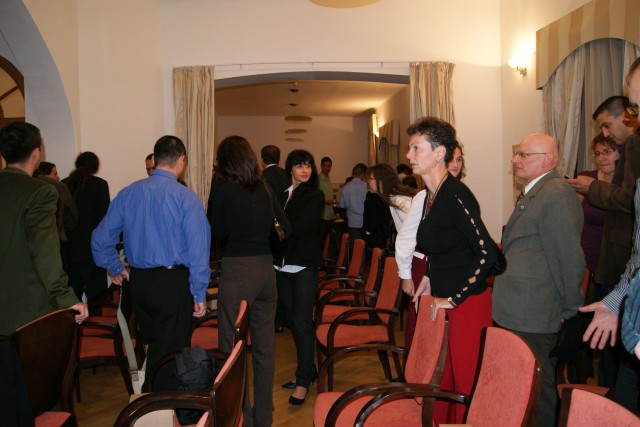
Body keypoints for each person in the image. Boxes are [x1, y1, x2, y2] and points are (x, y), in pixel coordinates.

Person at [91, 135, 210, 391]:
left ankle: (157, 399)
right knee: (170, 353)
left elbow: (100, 238)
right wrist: (199, 292)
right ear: (181, 161)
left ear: (154, 160)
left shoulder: (129, 193)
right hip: (172, 283)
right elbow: (198, 251)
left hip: (140, 283)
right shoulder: (186, 198)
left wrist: (114, 267)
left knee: (156, 345)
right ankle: (157, 402)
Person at [407, 117, 497, 424]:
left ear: (439, 153)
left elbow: (487, 253)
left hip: (468, 304)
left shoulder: (456, 194)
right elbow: (445, 245)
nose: (409, 155)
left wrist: (455, 298)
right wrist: (429, 277)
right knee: (445, 377)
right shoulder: (432, 195)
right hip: (446, 300)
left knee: (466, 382)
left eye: (416, 148)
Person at [493, 133, 585, 427]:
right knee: (522, 386)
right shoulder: (539, 191)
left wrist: (570, 309)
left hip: (534, 310)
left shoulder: (556, 194)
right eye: (517, 153)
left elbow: (568, 258)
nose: (514, 160)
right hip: (519, 308)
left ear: (547, 160)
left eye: (523, 155)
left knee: (539, 391)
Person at [0, 121, 88, 424]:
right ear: (37, 153)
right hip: (25, 318)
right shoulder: (40, 192)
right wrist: (67, 299)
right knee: (28, 401)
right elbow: (45, 253)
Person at [208, 135, 290, 427]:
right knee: (265, 350)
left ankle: (240, 415)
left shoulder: (222, 189)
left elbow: (216, 231)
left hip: (237, 271)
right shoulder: (264, 187)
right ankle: (264, 417)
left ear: (224, 162)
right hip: (266, 271)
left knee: (232, 349)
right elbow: (285, 228)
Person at [275, 149, 324, 406]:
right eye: (299, 165)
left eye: (308, 165)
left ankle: (303, 380)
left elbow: (300, 227)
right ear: (290, 168)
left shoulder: (315, 195)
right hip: (281, 266)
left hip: (303, 265)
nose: (305, 169)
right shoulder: (283, 194)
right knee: (293, 321)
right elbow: (278, 227)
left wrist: (276, 228)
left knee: (303, 322)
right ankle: (308, 369)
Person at [63, 152, 110, 303]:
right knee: (96, 297)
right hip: (92, 250)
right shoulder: (100, 185)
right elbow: (104, 218)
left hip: (68, 249)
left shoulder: (64, 184)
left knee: (72, 298)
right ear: (95, 167)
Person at [260, 144, 292, 334]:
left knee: (270, 276)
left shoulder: (260, 178)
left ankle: (272, 319)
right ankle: (284, 317)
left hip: (267, 231)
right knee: (283, 274)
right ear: (279, 159)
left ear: (262, 159)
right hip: (285, 229)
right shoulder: (288, 176)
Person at [34, 161, 78, 248]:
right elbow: (73, 214)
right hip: (55, 235)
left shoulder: (26, 184)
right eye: (55, 174)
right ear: (45, 174)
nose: (58, 177)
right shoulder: (59, 186)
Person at [338, 163, 368, 245]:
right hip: (364, 222)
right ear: (363, 174)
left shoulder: (346, 187)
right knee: (364, 246)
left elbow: (342, 205)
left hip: (352, 222)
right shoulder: (366, 187)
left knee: (354, 247)